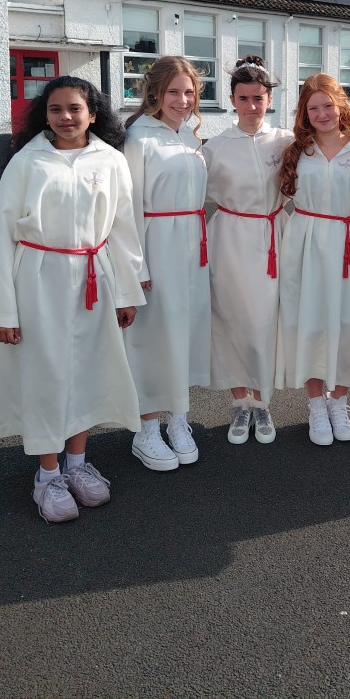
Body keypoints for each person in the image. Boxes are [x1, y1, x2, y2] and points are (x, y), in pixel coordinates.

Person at [0, 76, 146, 523]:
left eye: (75, 108)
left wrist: (127, 291)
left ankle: (77, 463)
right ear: (44, 114)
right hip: (38, 279)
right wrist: (1, 309)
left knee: (87, 370)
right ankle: (48, 475)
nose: (66, 117)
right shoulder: (28, 161)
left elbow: (123, 227)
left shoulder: (110, 160)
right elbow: (1, 235)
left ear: (93, 114)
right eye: (56, 109)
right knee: (45, 374)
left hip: (94, 277)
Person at [123, 56, 210, 471]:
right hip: (156, 246)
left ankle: (178, 417)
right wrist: (136, 267)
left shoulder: (189, 135)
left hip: (191, 247)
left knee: (183, 332)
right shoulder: (138, 137)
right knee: (153, 337)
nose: (183, 100)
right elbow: (128, 208)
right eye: (174, 91)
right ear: (154, 91)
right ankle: (146, 428)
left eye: (189, 92)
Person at [202, 56, 293, 444]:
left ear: (269, 99)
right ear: (232, 100)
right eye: (244, 98)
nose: (252, 105)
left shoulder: (286, 141)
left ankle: (262, 400)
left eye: (259, 97)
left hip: (273, 235)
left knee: (265, 321)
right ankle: (240, 401)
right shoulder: (216, 147)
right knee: (232, 319)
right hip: (230, 239)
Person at [277, 74, 350, 445]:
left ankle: (339, 402)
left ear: (341, 104)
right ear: (304, 113)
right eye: (313, 108)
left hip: (349, 241)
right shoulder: (298, 150)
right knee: (310, 322)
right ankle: (316, 404)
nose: (322, 114)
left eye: (328, 105)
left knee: (349, 322)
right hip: (306, 241)